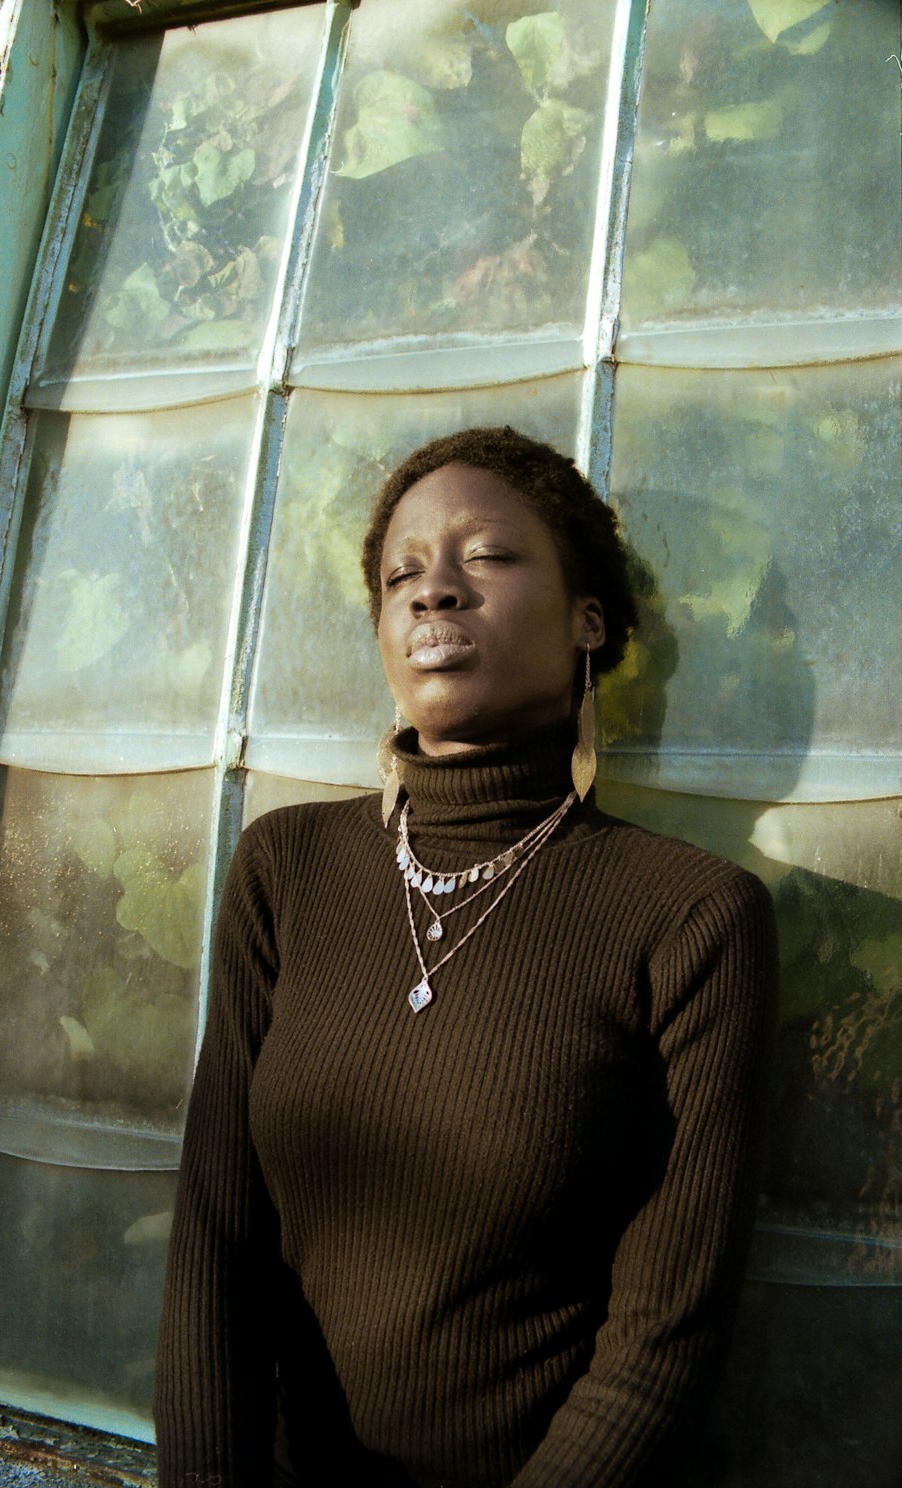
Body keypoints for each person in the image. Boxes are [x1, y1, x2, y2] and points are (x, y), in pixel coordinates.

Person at [154, 425, 778, 1488]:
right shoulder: (286, 869)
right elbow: (216, 1239)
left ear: (591, 620)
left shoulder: (691, 917)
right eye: (401, 573)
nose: (431, 591)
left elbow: (663, 1341)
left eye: (485, 557)